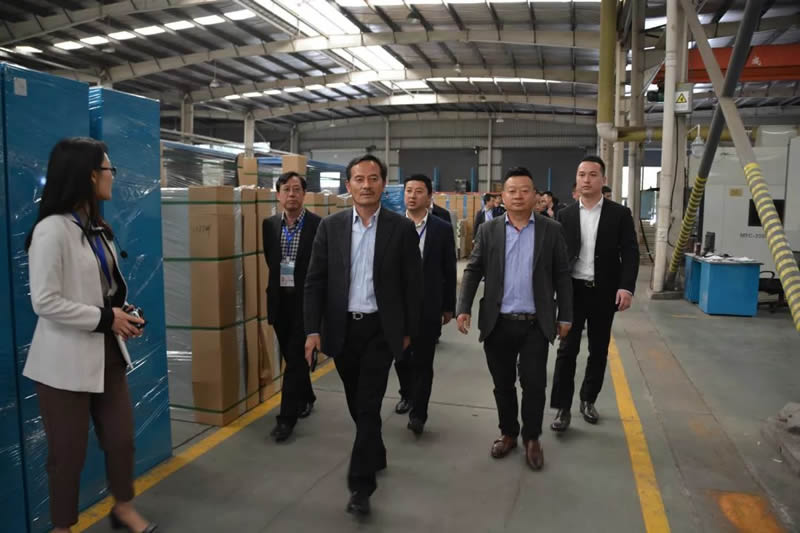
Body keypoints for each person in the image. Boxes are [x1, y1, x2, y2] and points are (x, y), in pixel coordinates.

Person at [22, 138, 155, 533]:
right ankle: (62, 527)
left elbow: (104, 290)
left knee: (121, 440)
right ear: (90, 175)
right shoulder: (51, 230)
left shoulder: (98, 229)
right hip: (63, 365)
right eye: (109, 168)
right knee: (68, 454)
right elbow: (45, 301)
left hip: (107, 355)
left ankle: (123, 508)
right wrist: (105, 318)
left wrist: (124, 313)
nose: (113, 175)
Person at [304, 154, 423, 516]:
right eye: (359, 179)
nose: (366, 185)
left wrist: (408, 331)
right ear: (348, 185)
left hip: (380, 330)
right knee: (358, 404)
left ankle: (361, 485)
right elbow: (315, 281)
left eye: (373, 179)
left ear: (383, 184)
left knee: (369, 404)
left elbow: (413, 285)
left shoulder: (400, 229)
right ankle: (376, 450)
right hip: (342, 329)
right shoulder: (331, 227)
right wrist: (312, 330)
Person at [456, 167, 572, 472]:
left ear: (535, 196)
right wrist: (463, 307)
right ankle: (508, 433)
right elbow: (473, 269)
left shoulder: (551, 230)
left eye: (524, 190)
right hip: (498, 322)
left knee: (534, 384)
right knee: (503, 384)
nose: (518, 196)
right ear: (503, 197)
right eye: (512, 191)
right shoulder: (489, 230)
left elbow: (562, 274)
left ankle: (532, 438)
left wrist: (566, 315)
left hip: (535, 323)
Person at [550, 156, 639, 431]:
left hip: (603, 292)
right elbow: (556, 257)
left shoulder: (619, 214)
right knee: (567, 350)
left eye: (592, 174)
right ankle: (562, 408)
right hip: (573, 292)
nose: (586, 179)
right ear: (576, 180)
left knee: (598, 350)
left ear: (603, 179)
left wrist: (626, 287)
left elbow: (631, 252)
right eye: (581, 174)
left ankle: (588, 399)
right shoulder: (564, 215)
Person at [393, 174, 457, 434]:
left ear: (429, 196)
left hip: (428, 305)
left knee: (423, 360)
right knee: (400, 358)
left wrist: (449, 306)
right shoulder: (393, 225)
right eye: (408, 190)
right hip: (398, 306)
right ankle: (406, 393)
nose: (412, 195)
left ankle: (419, 413)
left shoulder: (441, 228)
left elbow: (449, 268)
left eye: (418, 191)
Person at [263, 171, 321, 443]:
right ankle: (307, 395)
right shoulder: (269, 225)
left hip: (305, 302)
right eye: (286, 189)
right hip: (279, 301)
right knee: (292, 355)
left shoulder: (318, 225)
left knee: (296, 359)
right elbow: (271, 261)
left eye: (297, 189)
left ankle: (286, 419)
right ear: (278, 194)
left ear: (304, 194)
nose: (291, 194)